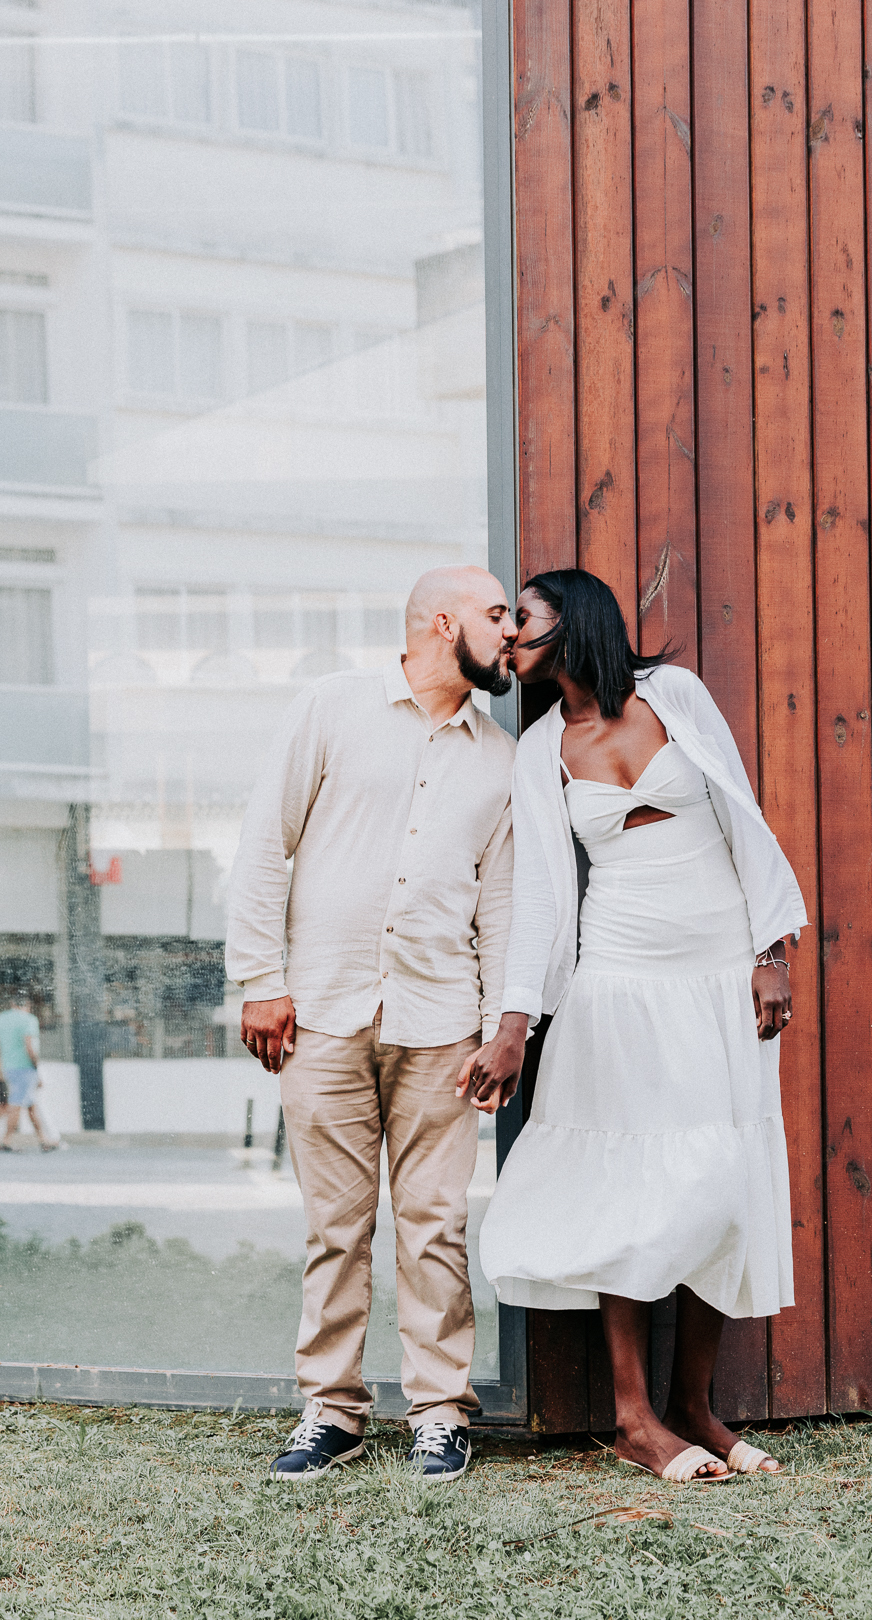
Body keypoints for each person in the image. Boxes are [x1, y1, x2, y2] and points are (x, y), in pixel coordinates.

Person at [463, 570, 807, 1483]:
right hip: (616, 977)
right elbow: (539, 895)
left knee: (720, 1179)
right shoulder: (539, 749)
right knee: (628, 1178)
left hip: (717, 973)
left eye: (521, 622)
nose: (508, 641)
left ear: (571, 621)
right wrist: (513, 1026)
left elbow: (742, 815)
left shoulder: (674, 695)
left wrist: (773, 950)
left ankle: (694, 1404)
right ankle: (633, 1415)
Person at [226, 566, 517, 1482]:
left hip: (441, 1024)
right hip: (321, 1008)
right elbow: (263, 844)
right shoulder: (333, 707)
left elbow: (502, 907)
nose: (512, 631)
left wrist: (500, 1024)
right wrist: (259, 978)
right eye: (497, 614)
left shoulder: (501, 758)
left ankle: (439, 1411)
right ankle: (333, 1410)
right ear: (443, 621)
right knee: (335, 1226)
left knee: (435, 1226)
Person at [0, 991, 59, 1153]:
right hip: (24, 1068)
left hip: (9, 1067)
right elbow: (29, 1046)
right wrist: (36, 1067)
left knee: (30, 1103)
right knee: (17, 1103)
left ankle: (43, 1139)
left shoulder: (2, 1019)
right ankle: (6, 1139)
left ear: (12, 1004)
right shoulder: (29, 1020)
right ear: (27, 1005)